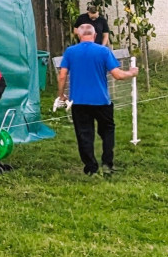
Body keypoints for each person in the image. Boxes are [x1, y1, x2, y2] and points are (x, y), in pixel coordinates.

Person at [57, 23, 139, 176]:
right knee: (107, 131)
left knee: (84, 134)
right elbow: (118, 75)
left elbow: (62, 76)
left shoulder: (70, 52)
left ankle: (91, 168)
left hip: (79, 101)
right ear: (95, 36)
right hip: (101, 100)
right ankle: (107, 163)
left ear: (79, 35)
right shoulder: (103, 51)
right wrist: (132, 73)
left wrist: (61, 95)